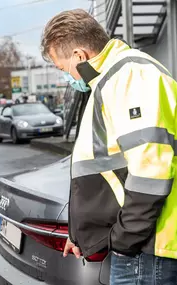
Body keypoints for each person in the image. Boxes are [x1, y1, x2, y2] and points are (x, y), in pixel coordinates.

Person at [41, 9, 177, 285]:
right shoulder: (114, 78)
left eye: (62, 68)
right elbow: (110, 169)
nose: (66, 77)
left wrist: (125, 240)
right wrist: (81, 234)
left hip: (146, 250)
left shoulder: (130, 77)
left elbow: (152, 170)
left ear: (79, 56)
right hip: (143, 245)